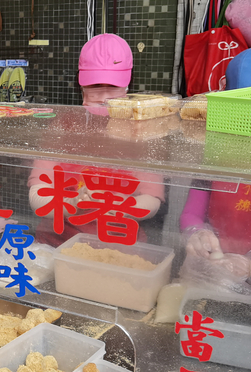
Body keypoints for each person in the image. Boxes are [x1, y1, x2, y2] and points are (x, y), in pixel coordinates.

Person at [29, 34, 164, 246]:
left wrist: (120, 207)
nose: (103, 97)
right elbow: (37, 195)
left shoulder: (142, 132)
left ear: (127, 85)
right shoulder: (62, 126)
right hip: (59, 242)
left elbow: (152, 199)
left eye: (113, 86)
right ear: (80, 85)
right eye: (94, 86)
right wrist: (74, 202)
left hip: (119, 245)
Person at [180, 45, 251, 287]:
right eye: (249, 111)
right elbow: (191, 213)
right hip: (216, 278)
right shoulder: (217, 153)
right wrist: (196, 233)